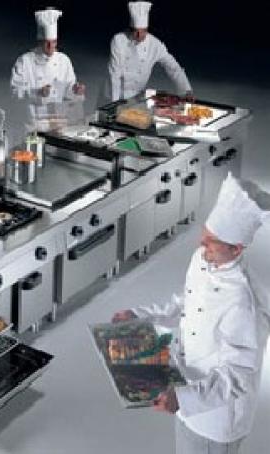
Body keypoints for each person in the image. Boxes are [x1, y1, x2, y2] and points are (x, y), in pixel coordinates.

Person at [112, 173, 270, 453]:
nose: (201, 244)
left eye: (211, 240)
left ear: (236, 249)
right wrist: (139, 316)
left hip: (215, 417)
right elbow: (187, 301)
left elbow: (239, 375)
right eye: (204, 235)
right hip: (183, 387)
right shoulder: (203, 259)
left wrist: (185, 399)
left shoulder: (244, 303)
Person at [10, 7, 85, 133]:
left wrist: (75, 90)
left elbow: (68, 93)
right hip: (33, 124)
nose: (51, 47)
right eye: (47, 42)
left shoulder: (63, 60)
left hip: (58, 122)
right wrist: (37, 92)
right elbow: (14, 92)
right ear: (40, 41)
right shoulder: (25, 61)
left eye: (54, 42)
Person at [102, 1, 192, 105]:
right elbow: (115, 73)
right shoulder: (119, 40)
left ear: (147, 29)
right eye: (136, 31)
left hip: (135, 96)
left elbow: (173, 67)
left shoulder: (155, 45)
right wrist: (114, 104)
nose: (139, 35)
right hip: (111, 94)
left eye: (143, 31)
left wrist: (186, 91)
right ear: (130, 29)